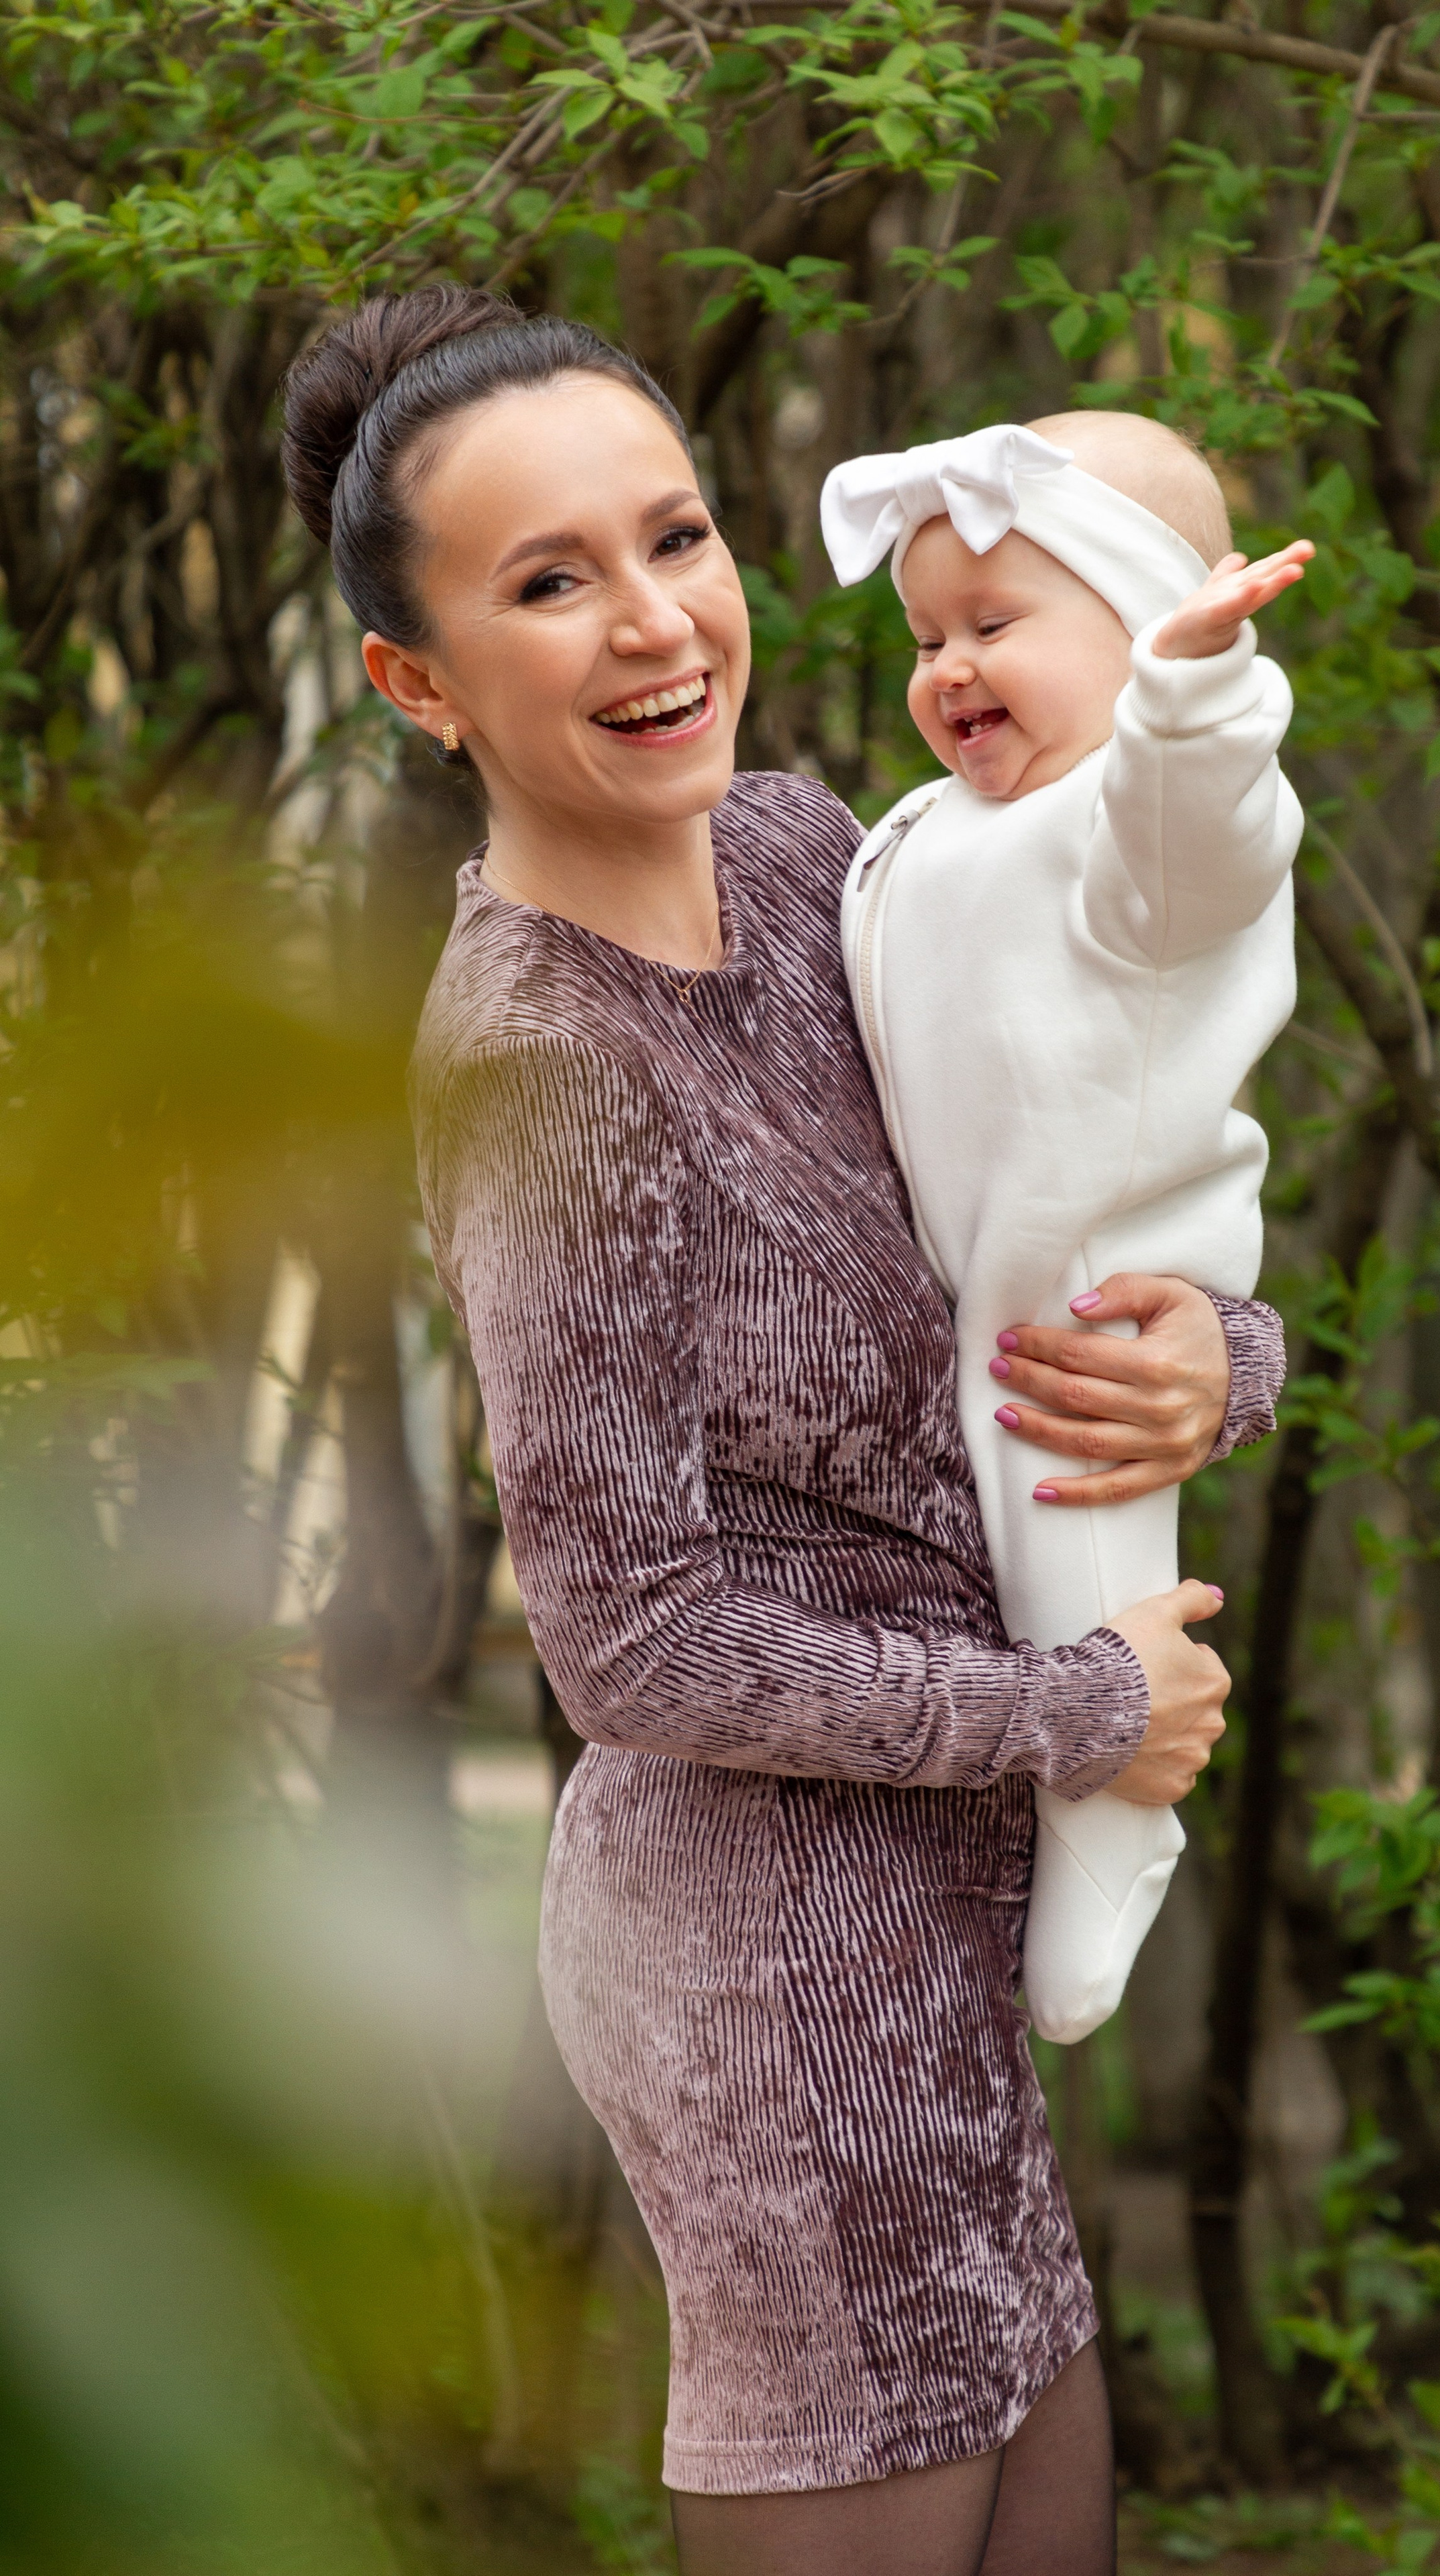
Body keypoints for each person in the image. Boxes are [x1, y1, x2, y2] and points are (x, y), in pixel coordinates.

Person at [280, 285, 1284, 2576]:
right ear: (416, 683)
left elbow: (1060, 1190)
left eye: (679, 536)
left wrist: (1219, 1360)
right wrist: (1074, 1710)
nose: (656, 626)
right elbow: (631, 1646)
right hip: (765, 1961)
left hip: (951, 1914)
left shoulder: (821, 852)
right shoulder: (546, 1069)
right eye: (548, 582)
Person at [822, 419, 1306, 2047]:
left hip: (1088, 1288)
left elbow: (1206, 833)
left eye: (995, 625)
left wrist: (1191, 695)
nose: (950, 665)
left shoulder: (1135, 830)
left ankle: (1113, 1827)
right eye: (925, 636)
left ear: (1139, 616)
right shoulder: (917, 825)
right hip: (970, 1264)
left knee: (1081, 1555)